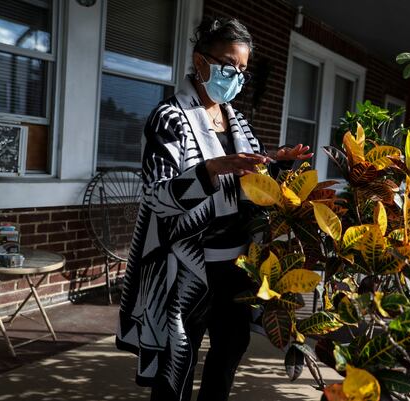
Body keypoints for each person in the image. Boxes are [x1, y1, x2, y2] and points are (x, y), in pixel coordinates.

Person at [116, 17, 312, 401]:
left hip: (236, 265)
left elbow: (246, 174)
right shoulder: (169, 117)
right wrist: (208, 171)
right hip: (188, 265)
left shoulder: (234, 117)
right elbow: (157, 195)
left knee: (230, 348)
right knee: (178, 359)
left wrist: (275, 162)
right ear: (201, 62)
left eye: (242, 69)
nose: (235, 75)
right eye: (228, 64)